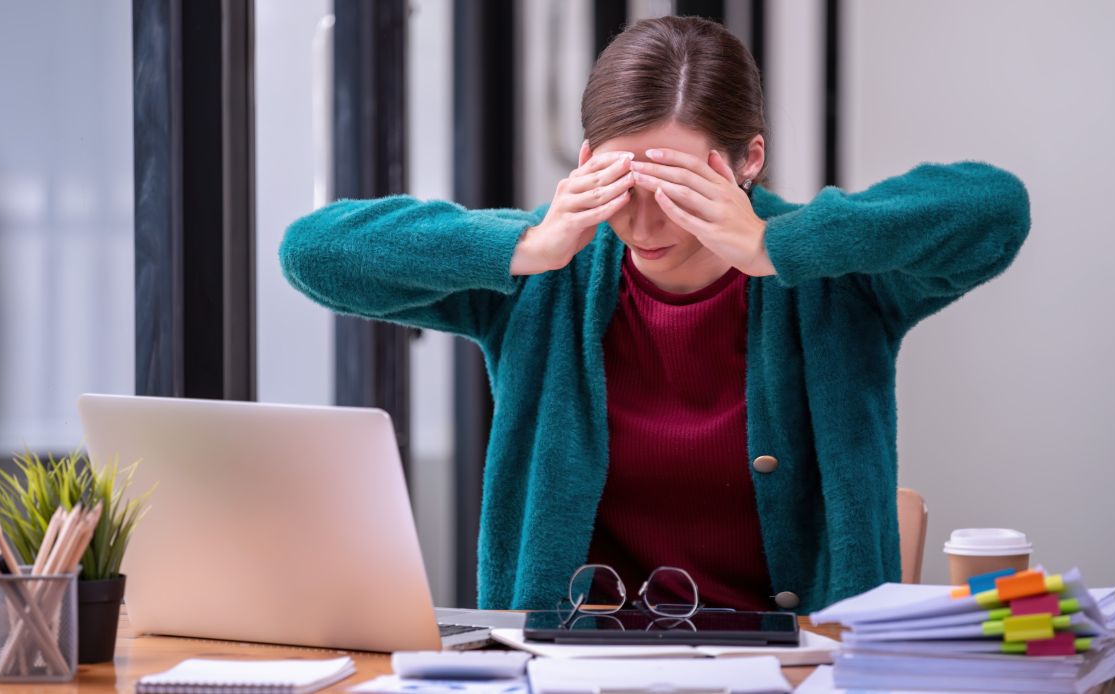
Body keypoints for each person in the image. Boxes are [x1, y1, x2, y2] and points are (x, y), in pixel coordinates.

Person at [280, 15, 1030, 614]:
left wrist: (780, 244)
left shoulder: (834, 278)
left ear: (747, 160)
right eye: (620, 181)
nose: (643, 221)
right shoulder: (547, 269)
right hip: (569, 664)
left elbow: (992, 208)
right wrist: (524, 244)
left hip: (796, 665)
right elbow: (314, 253)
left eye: (676, 185)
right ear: (585, 163)